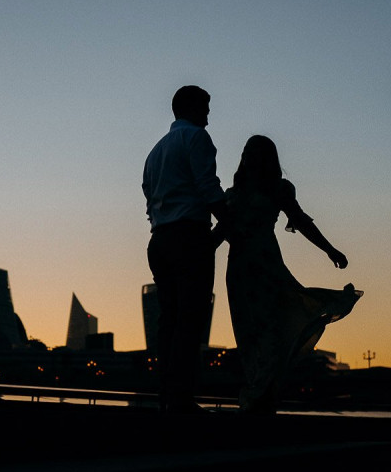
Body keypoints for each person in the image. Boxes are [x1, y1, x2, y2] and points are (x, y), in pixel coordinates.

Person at [213, 134, 362, 415]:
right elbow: (222, 232)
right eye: (245, 151)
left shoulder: (279, 189)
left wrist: (330, 250)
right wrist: (197, 252)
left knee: (270, 331)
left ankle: (261, 398)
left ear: (266, 158)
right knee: (246, 334)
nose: (247, 156)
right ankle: (260, 395)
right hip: (239, 271)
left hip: (267, 266)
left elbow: (302, 221)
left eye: (254, 152)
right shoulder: (232, 193)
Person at [142, 85, 229, 415]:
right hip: (188, 236)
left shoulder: (156, 151)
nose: (209, 113)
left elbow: (148, 195)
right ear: (190, 108)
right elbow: (208, 186)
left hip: (159, 239)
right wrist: (230, 223)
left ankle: (166, 393)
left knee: (168, 320)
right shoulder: (197, 139)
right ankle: (181, 399)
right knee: (190, 320)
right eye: (205, 106)